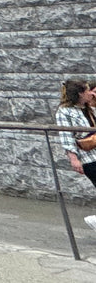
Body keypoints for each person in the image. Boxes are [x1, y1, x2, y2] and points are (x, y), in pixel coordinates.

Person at [57, 79, 96, 232]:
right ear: (79, 93)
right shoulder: (65, 111)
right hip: (89, 158)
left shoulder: (88, 107)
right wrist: (73, 159)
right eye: (87, 90)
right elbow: (66, 136)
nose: (89, 93)